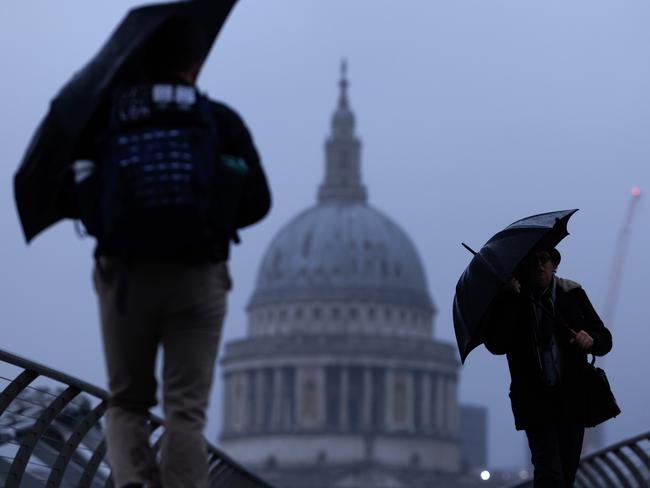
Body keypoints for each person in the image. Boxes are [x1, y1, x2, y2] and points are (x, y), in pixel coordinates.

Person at [74, 18, 271, 488]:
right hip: (198, 276)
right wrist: (213, 225)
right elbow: (258, 201)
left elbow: (82, 204)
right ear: (196, 64)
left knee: (127, 401)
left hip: (125, 277)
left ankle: (135, 483)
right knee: (186, 409)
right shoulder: (219, 121)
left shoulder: (106, 120)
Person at [483, 246, 612, 487]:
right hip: (535, 403)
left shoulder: (572, 293)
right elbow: (497, 344)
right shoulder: (512, 298)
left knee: (567, 471)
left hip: (573, 399)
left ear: (554, 265)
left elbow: (604, 338)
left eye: (544, 259)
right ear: (523, 269)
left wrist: (591, 340)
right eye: (533, 261)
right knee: (548, 473)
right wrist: (509, 298)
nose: (539, 265)